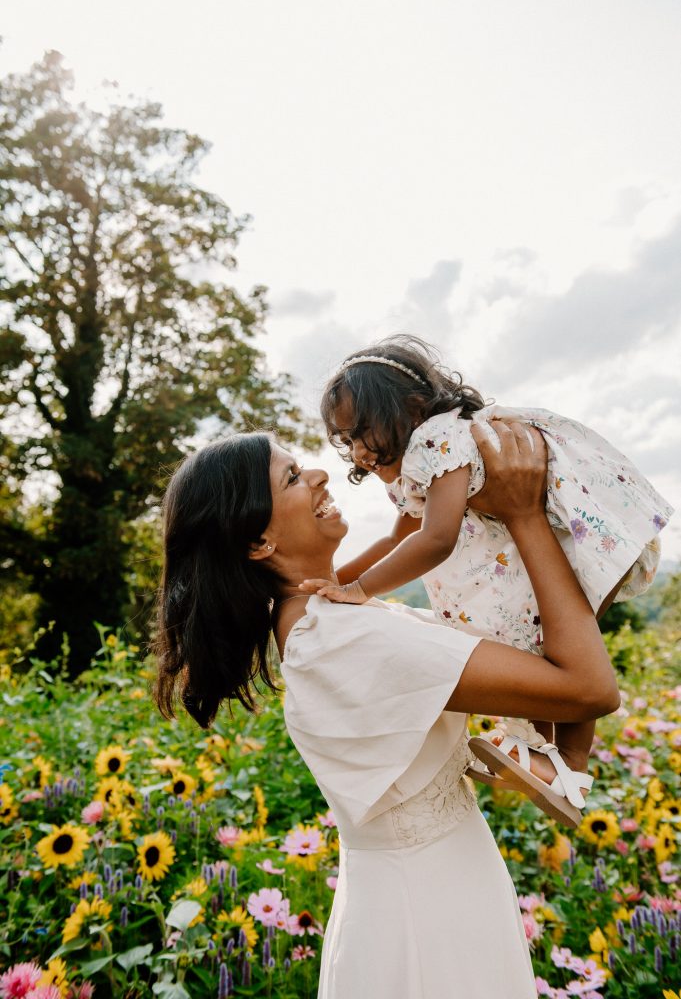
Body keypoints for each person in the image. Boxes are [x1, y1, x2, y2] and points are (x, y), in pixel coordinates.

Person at [153, 420, 620, 998]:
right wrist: (525, 517)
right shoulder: (339, 639)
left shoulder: (328, 615)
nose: (323, 471)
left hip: (438, 886)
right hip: (428, 913)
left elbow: (411, 533)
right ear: (258, 543)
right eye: (293, 477)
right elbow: (590, 689)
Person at [301, 335, 673, 823]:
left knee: (551, 653)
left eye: (362, 430)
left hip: (570, 536)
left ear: (411, 408)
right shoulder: (418, 466)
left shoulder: (439, 439)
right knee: (538, 658)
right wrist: (327, 581)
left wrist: (357, 591)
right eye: (346, 439)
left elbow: (437, 539)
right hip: (528, 551)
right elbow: (396, 541)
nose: (357, 450)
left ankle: (571, 764)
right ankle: (552, 762)